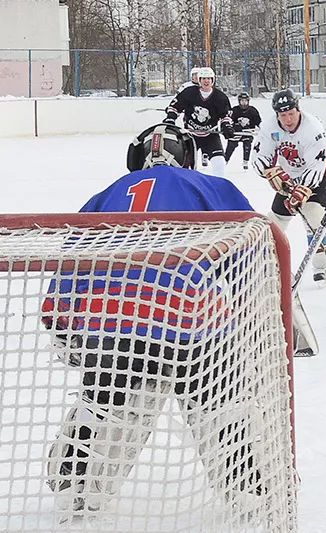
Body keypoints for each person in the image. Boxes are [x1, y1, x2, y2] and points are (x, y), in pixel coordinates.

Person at [40, 123, 275, 512]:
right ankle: (249, 490)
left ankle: (76, 485)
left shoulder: (106, 194)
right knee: (222, 407)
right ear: (186, 155)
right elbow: (251, 244)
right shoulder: (205, 185)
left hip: (113, 321)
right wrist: (263, 305)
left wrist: (59, 317)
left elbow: (73, 256)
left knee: (103, 401)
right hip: (191, 318)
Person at [253, 88, 326, 286]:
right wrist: (269, 172)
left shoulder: (313, 128)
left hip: (322, 176)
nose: (288, 119)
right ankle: (268, 264)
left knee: (313, 215)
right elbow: (258, 157)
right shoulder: (269, 127)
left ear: (298, 110)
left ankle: (321, 266)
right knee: (275, 220)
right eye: (283, 115)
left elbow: (317, 167)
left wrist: (303, 190)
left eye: (291, 113)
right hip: (290, 177)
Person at [164, 66, 234, 177]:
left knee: (220, 163)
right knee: (186, 167)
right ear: (199, 80)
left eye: (209, 78)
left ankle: (219, 190)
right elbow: (175, 107)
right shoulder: (189, 93)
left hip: (211, 135)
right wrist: (171, 118)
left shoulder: (220, 97)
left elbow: (225, 115)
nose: (206, 81)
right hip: (190, 135)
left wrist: (227, 126)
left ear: (213, 80)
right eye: (203, 78)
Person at [224, 92, 262, 170]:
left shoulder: (253, 110)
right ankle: (225, 160)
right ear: (239, 101)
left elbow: (258, 122)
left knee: (247, 143)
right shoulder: (234, 110)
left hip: (247, 132)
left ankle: (245, 161)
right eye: (242, 101)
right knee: (231, 145)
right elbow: (229, 121)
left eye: (245, 101)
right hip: (236, 133)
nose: (244, 103)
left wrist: (262, 128)